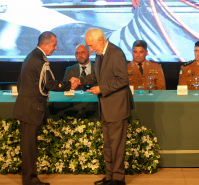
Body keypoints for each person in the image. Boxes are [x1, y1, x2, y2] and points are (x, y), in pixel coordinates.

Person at [72, 28, 134, 185]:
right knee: (108, 145)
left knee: (117, 146)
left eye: (91, 46)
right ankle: (110, 177)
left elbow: (122, 80)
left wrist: (101, 88)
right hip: (106, 107)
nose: (90, 50)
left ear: (100, 40)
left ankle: (118, 179)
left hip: (117, 107)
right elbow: (96, 76)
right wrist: (80, 80)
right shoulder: (100, 55)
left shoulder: (116, 53)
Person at [13, 31, 74, 185]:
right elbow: (49, 84)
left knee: (28, 147)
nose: (55, 48)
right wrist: (69, 85)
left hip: (27, 108)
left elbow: (21, 83)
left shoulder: (30, 56)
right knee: (30, 149)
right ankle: (30, 180)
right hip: (32, 110)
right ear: (45, 45)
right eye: (54, 45)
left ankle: (29, 179)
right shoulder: (40, 61)